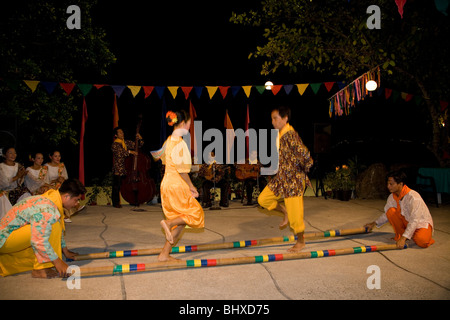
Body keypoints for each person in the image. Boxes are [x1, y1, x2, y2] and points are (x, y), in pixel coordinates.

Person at [0, 178, 86, 278]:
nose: (77, 204)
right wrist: (58, 262)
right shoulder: (47, 209)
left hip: (10, 237)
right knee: (48, 231)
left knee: (44, 244)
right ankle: (40, 268)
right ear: (66, 196)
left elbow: (57, 229)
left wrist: (65, 251)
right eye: (76, 200)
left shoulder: (52, 196)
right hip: (4, 240)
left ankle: (5, 264)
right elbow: (39, 240)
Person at [258, 106, 313, 252]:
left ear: (285, 118)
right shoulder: (280, 134)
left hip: (293, 179)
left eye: (275, 118)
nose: (273, 122)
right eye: (272, 119)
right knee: (263, 199)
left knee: (296, 215)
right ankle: (285, 212)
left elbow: (305, 154)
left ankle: (301, 241)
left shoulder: (290, 134)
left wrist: (301, 172)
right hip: (282, 176)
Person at [157, 110, 204, 262]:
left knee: (182, 221)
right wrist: (192, 186)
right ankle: (168, 223)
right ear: (183, 123)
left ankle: (164, 254)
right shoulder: (180, 144)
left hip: (166, 183)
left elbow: (165, 162)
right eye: (189, 124)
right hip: (177, 183)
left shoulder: (168, 141)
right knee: (195, 214)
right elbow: (182, 171)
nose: (189, 127)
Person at [364, 170, 435, 248]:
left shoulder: (413, 197)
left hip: (420, 224)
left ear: (400, 184)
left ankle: (415, 235)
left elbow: (415, 220)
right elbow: (387, 215)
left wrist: (403, 238)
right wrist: (373, 223)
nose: (388, 186)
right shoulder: (392, 197)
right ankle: (406, 234)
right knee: (390, 211)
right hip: (407, 222)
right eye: (387, 183)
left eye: (391, 184)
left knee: (422, 242)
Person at [111, 127, 143, 208]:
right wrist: (130, 151)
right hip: (118, 168)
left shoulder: (125, 142)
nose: (122, 134)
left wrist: (139, 139)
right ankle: (116, 203)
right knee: (116, 186)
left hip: (127, 168)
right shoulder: (115, 144)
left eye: (122, 132)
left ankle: (131, 200)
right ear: (116, 135)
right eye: (120, 132)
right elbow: (120, 153)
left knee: (128, 186)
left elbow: (137, 145)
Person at [0, 147, 30, 220]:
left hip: (16, 190)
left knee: (26, 194)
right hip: (5, 191)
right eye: (10, 153)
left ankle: (23, 218)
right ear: (4, 155)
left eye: (15, 153)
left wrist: (22, 176)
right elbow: (4, 183)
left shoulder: (18, 165)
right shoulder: (1, 166)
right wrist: (17, 176)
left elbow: (20, 182)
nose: (13, 155)